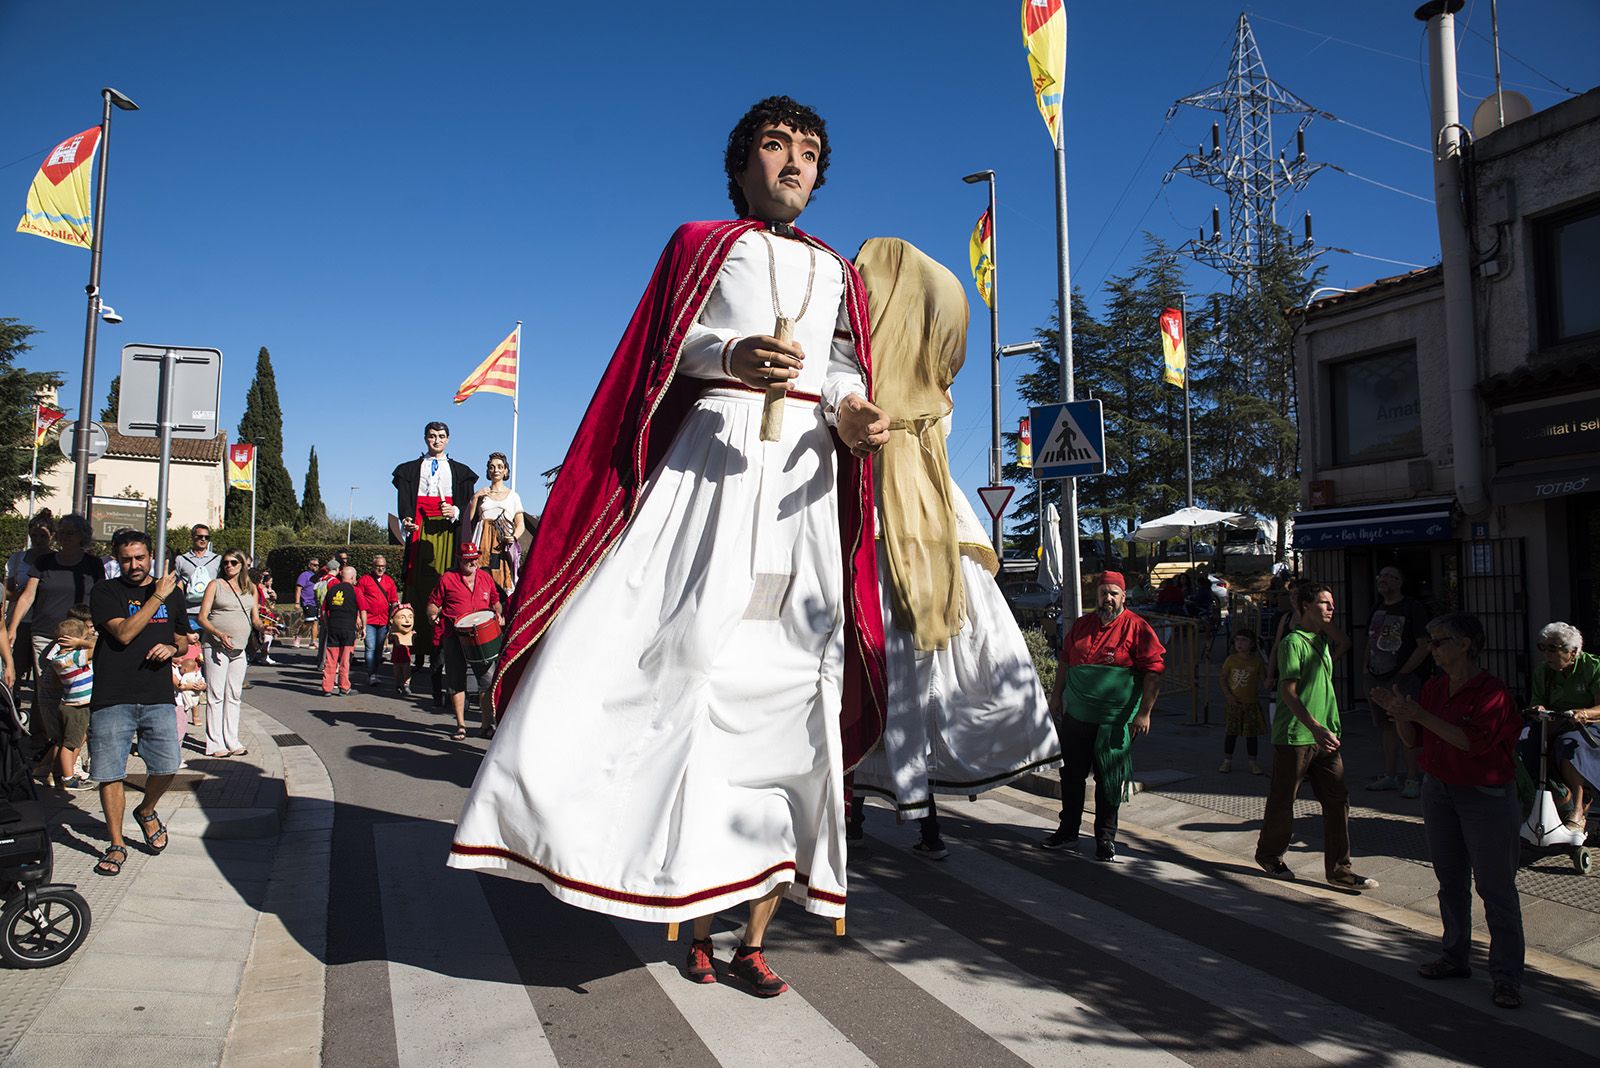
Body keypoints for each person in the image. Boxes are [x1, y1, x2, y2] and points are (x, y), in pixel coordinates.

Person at [450, 95, 889, 999]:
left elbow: (843, 366)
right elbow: (662, 348)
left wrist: (851, 412)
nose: (795, 163)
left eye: (810, 151)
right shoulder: (701, 243)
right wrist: (728, 357)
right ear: (739, 168)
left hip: (803, 489)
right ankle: (678, 905)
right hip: (711, 477)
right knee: (674, 667)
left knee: (789, 699)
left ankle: (755, 933)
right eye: (776, 147)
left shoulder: (840, 272)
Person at [845, 236, 1059, 860]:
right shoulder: (917, 394)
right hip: (930, 520)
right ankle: (902, 810)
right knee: (918, 675)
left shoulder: (888, 388)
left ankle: (884, 807)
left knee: (880, 669)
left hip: (896, 517)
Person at [1372, 612, 1525, 1010]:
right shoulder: (1435, 688)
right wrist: (1401, 716)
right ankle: (1455, 956)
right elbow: (1415, 740)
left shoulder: (1492, 692)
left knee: (1496, 888)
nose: (1432, 648)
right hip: (1438, 790)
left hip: (1485, 796)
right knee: (1450, 881)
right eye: (1431, 641)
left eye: (1439, 641)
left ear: (1466, 645)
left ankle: (1507, 976)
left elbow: (1470, 743)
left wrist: (1418, 715)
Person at [1255, 582, 1379, 889]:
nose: (1331, 609)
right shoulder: (1291, 643)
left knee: (1338, 801)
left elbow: (1345, 642)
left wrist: (1328, 727)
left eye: (1332, 604)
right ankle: (1270, 855)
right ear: (1305, 607)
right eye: (1324, 604)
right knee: (1284, 800)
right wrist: (1314, 726)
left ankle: (1340, 869)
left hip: (1326, 736)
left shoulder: (1322, 640)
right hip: (1296, 736)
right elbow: (1288, 690)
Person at [87, 529, 191, 877]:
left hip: (156, 694)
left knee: (167, 764)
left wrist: (173, 649)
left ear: (150, 556)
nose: (134, 564)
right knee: (109, 772)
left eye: (140, 557)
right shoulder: (105, 592)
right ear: (117, 559)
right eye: (126, 558)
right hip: (112, 694)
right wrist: (157, 597)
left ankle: (146, 810)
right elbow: (125, 632)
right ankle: (116, 844)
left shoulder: (171, 595)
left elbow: (183, 639)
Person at [1041, 571, 1164, 861]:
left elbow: (1154, 674)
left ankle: (1105, 838)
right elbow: (1065, 663)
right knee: (1071, 776)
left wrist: (1145, 713)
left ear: (1123, 596)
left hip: (1115, 721)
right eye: (1103, 593)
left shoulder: (1138, 628)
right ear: (1095, 596)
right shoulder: (1082, 625)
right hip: (1077, 718)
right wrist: (1056, 696)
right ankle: (1068, 831)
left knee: (1109, 780)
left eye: (1113, 593)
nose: (1107, 598)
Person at [7, 513, 103, 789]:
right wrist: (13, 628)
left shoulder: (92, 564)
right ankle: (56, 759)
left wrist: (93, 634)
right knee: (49, 698)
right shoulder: (45, 561)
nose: (64, 537)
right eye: (62, 532)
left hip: (82, 637)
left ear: (83, 537)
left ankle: (64, 761)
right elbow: (27, 596)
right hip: (46, 637)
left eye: (70, 533)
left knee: (80, 697)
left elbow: (99, 598)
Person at [393, 422, 480, 702]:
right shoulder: (409, 470)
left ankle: (445, 644)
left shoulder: (461, 472)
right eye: (432, 436)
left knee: (446, 579)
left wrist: (453, 510)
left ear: (448, 439)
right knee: (417, 584)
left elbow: (467, 507)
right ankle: (417, 645)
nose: (437, 440)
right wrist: (407, 518)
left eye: (441, 436)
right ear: (425, 438)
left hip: (446, 530)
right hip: (419, 527)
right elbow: (404, 500)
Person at [1364, 566, 1432, 798]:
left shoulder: (1412, 608)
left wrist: (1404, 672)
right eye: (1381, 575)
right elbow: (1369, 640)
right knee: (1386, 727)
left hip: (1402, 678)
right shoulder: (1376, 607)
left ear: (1400, 582)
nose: (1384, 580)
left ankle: (1413, 778)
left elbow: (1424, 645)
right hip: (1376, 675)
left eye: (1391, 576)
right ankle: (1389, 775)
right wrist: (1366, 667)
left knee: (1407, 727)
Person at [427, 543, 505, 741]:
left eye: (475, 558)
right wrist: (433, 615)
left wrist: (498, 612)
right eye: (468, 559)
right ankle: (460, 725)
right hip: (454, 637)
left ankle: (486, 725)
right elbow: (433, 604)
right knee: (456, 681)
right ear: (459, 559)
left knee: (487, 682)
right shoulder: (447, 578)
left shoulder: (486, 577)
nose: (473, 562)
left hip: (481, 638)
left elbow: (496, 601)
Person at [1527, 621, 1600, 833]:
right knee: (1522, 741)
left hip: (1588, 726)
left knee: (1568, 745)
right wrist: (1537, 708)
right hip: (1553, 721)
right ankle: (1531, 805)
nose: (1547, 654)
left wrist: (1584, 713)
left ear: (1573, 651)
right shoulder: (1544, 671)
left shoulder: (1592, 666)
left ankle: (1577, 809)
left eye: (1553, 648)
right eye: (1543, 648)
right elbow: (1536, 701)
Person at [196, 549, 261, 757]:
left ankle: (232, 739)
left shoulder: (251, 588)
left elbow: (255, 618)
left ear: (242, 565)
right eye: (225, 563)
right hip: (215, 646)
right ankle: (215, 743)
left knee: (234, 694)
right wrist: (218, 633)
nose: (229, 566)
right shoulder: (215, 585)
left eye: (233, 562)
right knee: (216, 694)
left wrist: (263, 628)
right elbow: (202, 617)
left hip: (239, 648)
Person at [41, 610, 96, 790]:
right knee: (71, 744)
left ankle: (59, 773)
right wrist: (82, 642)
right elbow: (98, 648)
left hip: (69, 704)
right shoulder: (73, 658)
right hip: (78, 707)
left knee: (70, 740)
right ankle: (69, 777)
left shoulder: (59, 659)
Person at [5, 510, 54, 693]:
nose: (38, 540)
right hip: (20, 620)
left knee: (43, 673)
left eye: (43, 536)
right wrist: (21, 593)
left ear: (51, 536)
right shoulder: (17, 559)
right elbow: (7, 591)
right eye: (34, 535)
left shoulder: (54, 560)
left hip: (43, 620)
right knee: (14, 667)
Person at [470, 453, 525, 596]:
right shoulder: (482, 494)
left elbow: (521, 524)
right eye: (492, 467)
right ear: (488, 470)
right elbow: (469, 520)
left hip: (502, 542)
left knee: (501, 575)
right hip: (483, 540)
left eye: (500, 467)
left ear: (506, 470)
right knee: (481, 573)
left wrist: (513, 537)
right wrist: (475, 498)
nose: (496, 470)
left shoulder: (513, 496)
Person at [1219, 629, 1266, 775]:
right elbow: (1223, 679)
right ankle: (1227, 761)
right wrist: (1228, 696)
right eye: (1237, 640)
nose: (1240, 643)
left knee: (1251, 735)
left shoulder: (1257, 662)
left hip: (1251, 703)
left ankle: (1253, 762)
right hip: (1234, 704)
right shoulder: (1231, 660)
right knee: (1231, 733)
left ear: (1252, 644)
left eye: (1244, 640)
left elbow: (1265, 681)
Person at [356, 554, 400, 686]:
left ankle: (375, 672)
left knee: (379, 649)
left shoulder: (389, 581)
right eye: (378, 566)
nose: (380, 569)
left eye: (383, 566)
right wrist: (358, 618)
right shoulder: (364, 580)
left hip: (383, 621)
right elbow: (357, 599)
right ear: (372, 566)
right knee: (370, 647)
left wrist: (394, 616)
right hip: (368, 620)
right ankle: (371, 674)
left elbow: (393, 601)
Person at [320, 566, 362, 697]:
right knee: (345, 660)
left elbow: (323, 610)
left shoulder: (332, 589)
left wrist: (327, 624)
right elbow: (363, 609)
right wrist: (364, 626)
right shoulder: (356, 591)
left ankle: (327, 687)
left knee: (331, 659)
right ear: (352, 577)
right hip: (348, 629)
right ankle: (344, 687)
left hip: (333, 627)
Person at [172, 524, 220, 632]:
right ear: (193, 537)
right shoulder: (181, 560)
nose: (203, 539)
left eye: (206, 537)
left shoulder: (217, 560)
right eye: (199, 536)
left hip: (210, 612)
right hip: (188, 611)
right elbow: (176, 583)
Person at [388, 602, 416, 694]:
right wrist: (393, 636)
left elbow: (413, 642)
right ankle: (398, 684)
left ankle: (406, 684)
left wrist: (413, 636)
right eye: (402, 618)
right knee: (397, 672)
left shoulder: (411, 632)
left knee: (406, 671)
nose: (407, 621)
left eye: (410, 617)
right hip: (396, 656)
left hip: (406, 657)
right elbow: (390, 640)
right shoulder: (394, 633)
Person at [296, 557, 321, 649]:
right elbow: (299, 588)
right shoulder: (304, 575)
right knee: (309, 621)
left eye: (317, 565)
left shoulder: (317, 576)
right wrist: (297, 602)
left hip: (315, 602)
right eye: (314, 565)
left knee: (315, 622)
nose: (316, 567)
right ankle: (298, 636)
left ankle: (313, 642)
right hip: (307, 601)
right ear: (309, 565)